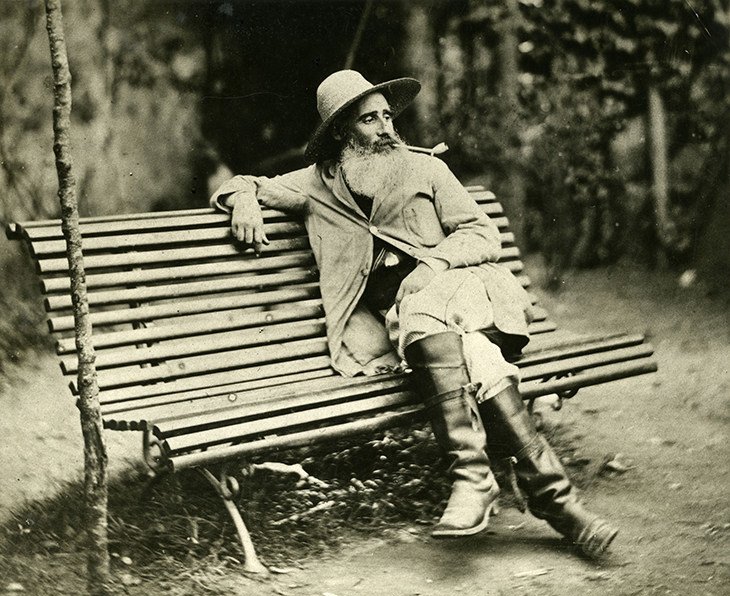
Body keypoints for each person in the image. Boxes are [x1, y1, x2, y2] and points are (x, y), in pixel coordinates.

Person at [210, 70, 618, 558]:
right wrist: (245, 202)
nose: (385, 127)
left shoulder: (425, 169)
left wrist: (433, 265)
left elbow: (481, 235)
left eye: (387, 115)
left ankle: (471, 478)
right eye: (369, 119)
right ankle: (562, 508)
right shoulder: (318, 186)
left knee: (425, 306)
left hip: (470, 296)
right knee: (473, 354)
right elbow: (242, 182)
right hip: (419, 333)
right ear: (341, 131)